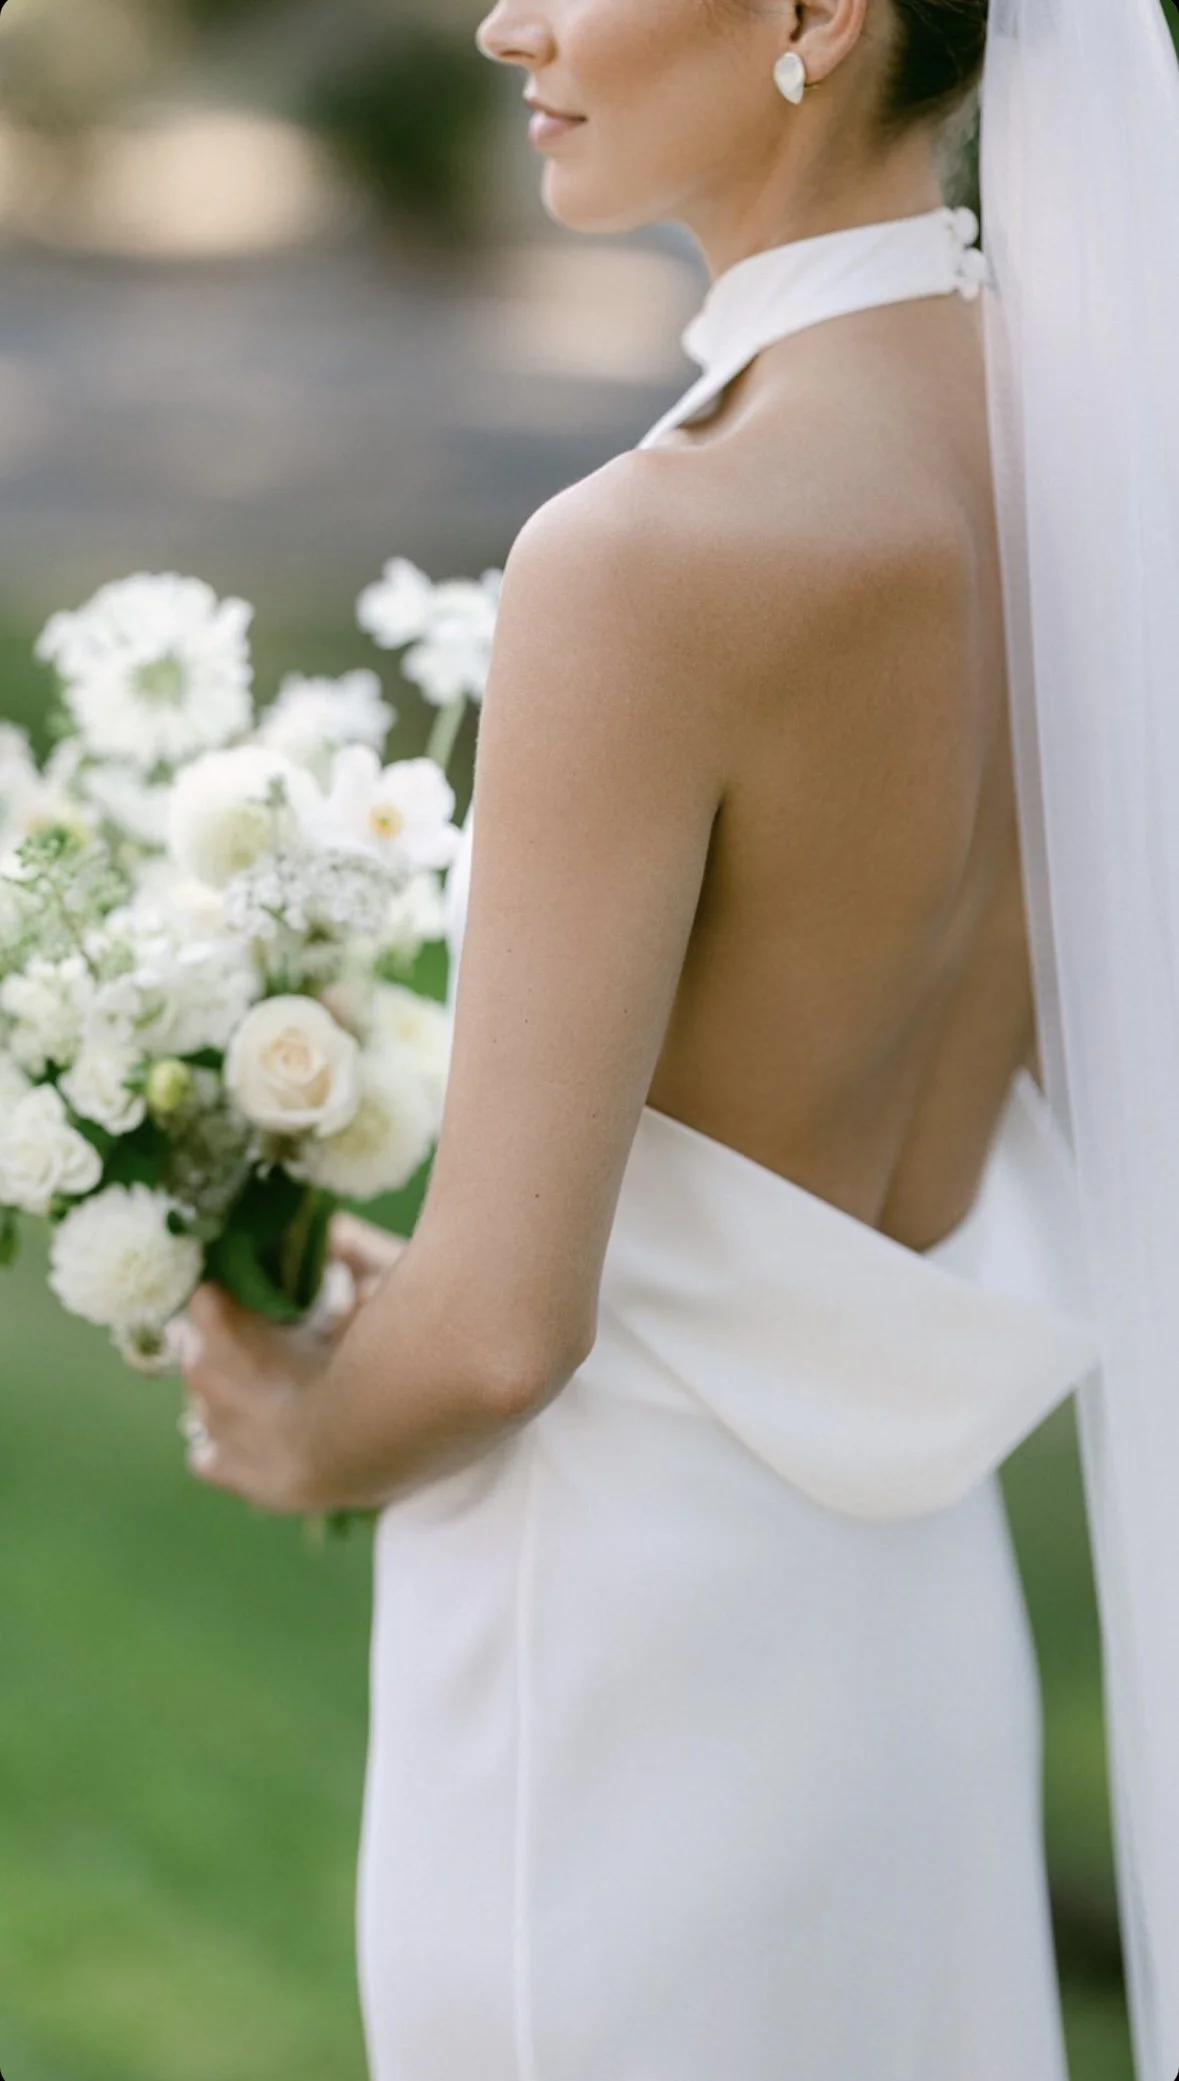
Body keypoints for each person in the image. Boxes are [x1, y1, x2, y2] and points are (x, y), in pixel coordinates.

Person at [176, 1, 1139, 2074]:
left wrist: (299, 1427)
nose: (502, 19)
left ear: (811, 18)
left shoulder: (644, 559)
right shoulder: (1090, 459)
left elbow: (505, 1334)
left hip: (604, 1667)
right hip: (907, 1635)